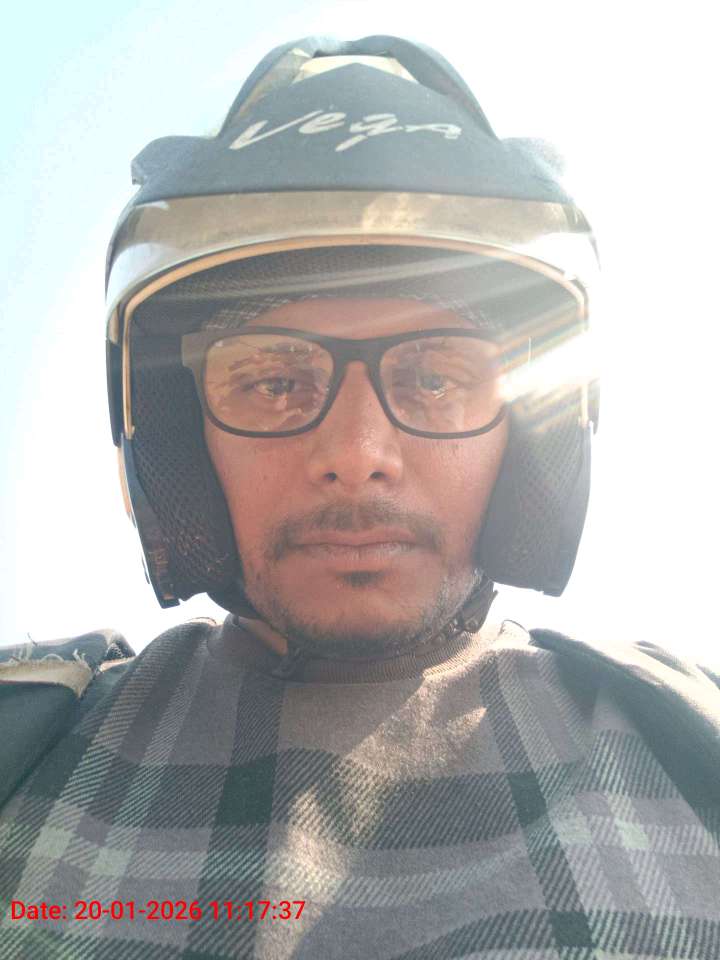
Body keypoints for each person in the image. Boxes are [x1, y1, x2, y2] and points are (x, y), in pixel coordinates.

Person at [1, 35, 719, 960]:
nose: (356, 456)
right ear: (179, 437)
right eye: (273, 382)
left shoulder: (689, 736)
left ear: (530, 435)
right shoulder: (26, 736)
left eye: (436, 380)